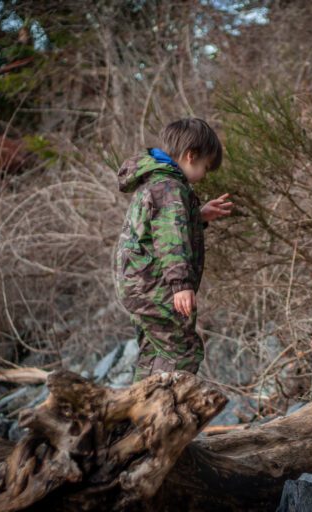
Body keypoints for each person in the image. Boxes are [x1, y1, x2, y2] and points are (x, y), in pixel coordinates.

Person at [114, 118, 233, 379]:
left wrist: (197, 217)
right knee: (183, 351)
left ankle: (139, 415)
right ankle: (162, 415)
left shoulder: (156, 181)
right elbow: (171, 238)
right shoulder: (170, 188)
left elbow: (159, 230)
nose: (203, 175)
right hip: (156, 287)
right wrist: (181, 285)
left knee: (155, 351)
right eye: (205, 167)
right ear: (191, 156)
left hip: (138, 286)